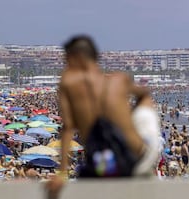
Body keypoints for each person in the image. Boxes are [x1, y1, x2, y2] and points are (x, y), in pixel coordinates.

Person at [46, 36, 148, 196]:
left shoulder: (69, 83)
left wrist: (62, 173)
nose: (66, 65)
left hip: (104, 161)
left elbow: (67, 127)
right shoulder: (119, 79)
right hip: (138, 155)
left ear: (76, 58)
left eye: (67, 60)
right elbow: (145, 95)